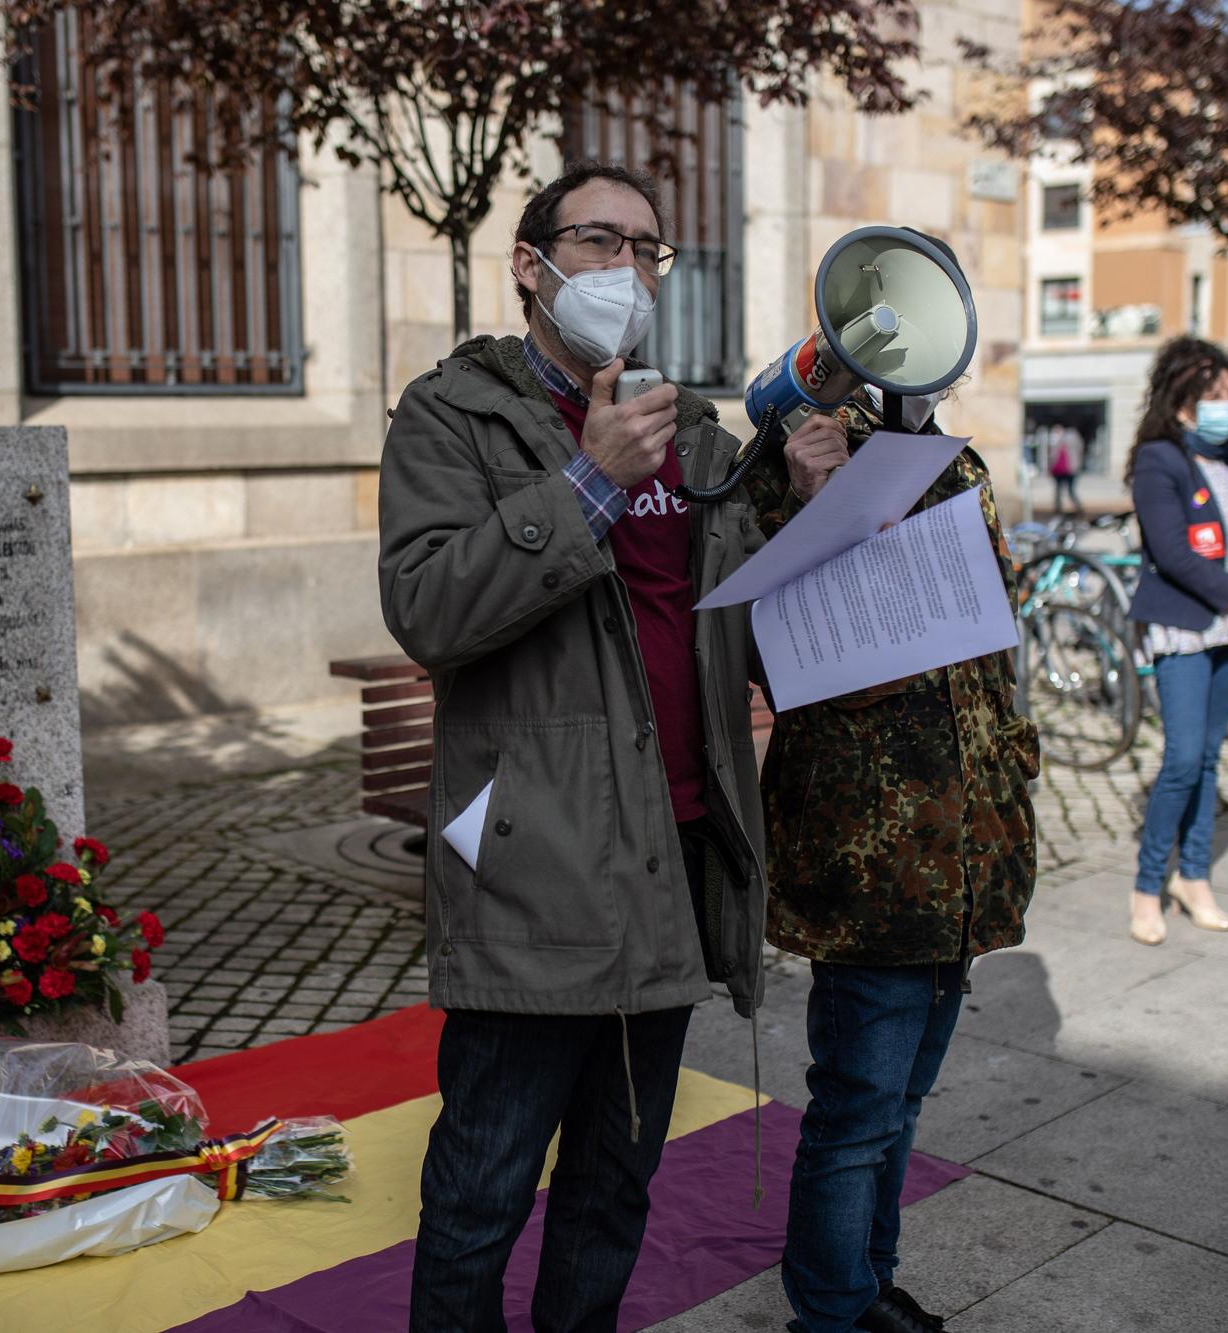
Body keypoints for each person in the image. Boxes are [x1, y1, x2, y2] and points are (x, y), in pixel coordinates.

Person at [376, 161, 777, 1331]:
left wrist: (798, 499)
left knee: (612, 1184)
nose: (626, 270)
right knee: (481, 1189)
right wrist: (589, 482)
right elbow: (428, 608)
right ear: (529, 263)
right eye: (599, 241)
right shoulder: (453, 413)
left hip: (673, 852)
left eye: (647, 250)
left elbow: (742, 609)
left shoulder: (694, 433)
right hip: (536, 863)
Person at [745, 334, 1040, 1330]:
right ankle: (826, 1313)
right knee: (855, 1111)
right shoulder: (804, 450)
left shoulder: (955, 462)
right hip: (870, 850)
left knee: (901, 1103)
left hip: (961, 848)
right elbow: (750, 637)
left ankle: (866, 1286)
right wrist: (798, 496)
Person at [1125, 337, 1228, 944]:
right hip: (1187, 626)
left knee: (1211, 759)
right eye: (1213, 396)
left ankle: (1194, 876)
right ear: (1182, 401)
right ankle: (1146, 886)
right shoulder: (1158, 460)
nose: (1227, 406)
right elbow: (1172, 551)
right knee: (1183, 759)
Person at [1049, 428, 1080, 515]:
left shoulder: (1058, 441)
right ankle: (1077, 508)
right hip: (1067, 469)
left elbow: (1052, 456)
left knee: (1062, 490)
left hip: (1066, 469)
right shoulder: (1073, 439)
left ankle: (1060, 509)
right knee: (1068, 491)